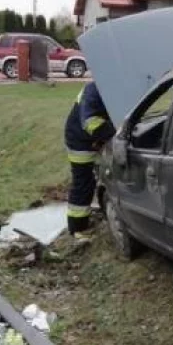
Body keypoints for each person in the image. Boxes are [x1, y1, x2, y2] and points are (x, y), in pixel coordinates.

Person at [63, 81, 115, 241]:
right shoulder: (94, 89)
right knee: (84, 182)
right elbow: (90, 122)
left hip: (92, 138)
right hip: (80, 141)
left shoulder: (108, 85)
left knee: (100, 176)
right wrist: (116, 131)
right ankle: (78, 227)